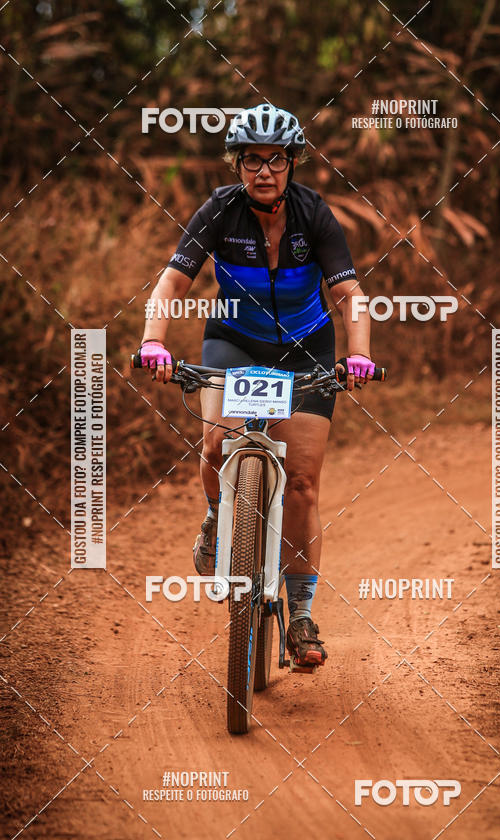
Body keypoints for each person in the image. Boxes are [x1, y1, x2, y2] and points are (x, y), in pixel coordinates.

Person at [139, 103, 376, 667]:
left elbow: (349, 295)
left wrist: (360, 354)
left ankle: (300, 616)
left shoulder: (313, 214)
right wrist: (154, 341)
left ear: (292, 163)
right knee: (217, 444)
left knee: (301, 483)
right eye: (251, 160)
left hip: (306, 347)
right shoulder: (219, 211)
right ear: (236, 164)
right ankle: (218, 517)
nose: (263, 171)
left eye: (275, 160)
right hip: (234, 341)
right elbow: (172, 282)